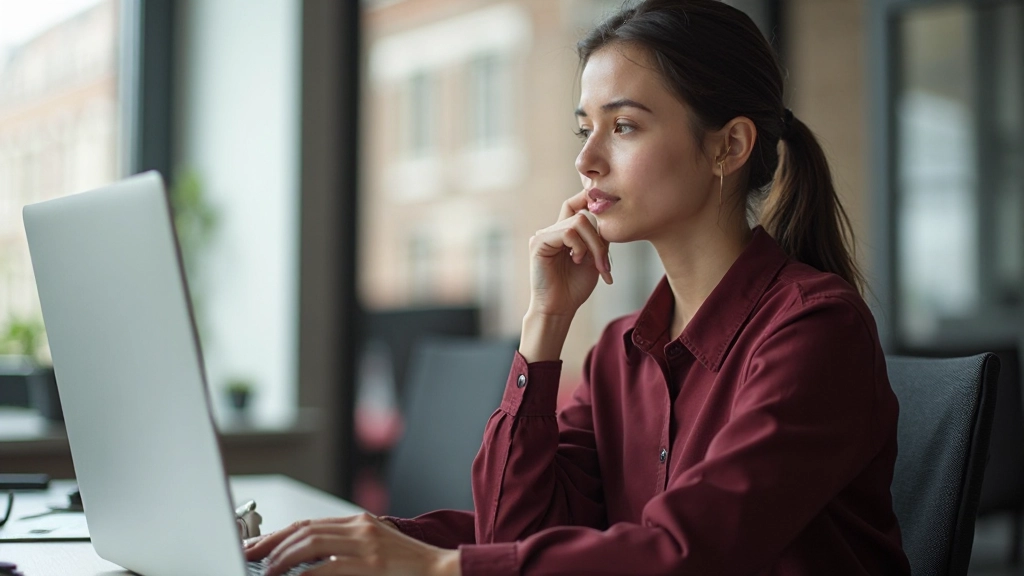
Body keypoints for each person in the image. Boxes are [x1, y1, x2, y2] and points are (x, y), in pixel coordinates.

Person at [245, 1, 911, 574]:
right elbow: (514, 529)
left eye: (623, 126)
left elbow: (688, 555)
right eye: (583, 127)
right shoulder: (621, 350)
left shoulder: (816, 332)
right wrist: (546, 321)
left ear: (728, 148)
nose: (586, 159)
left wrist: (442, 566)